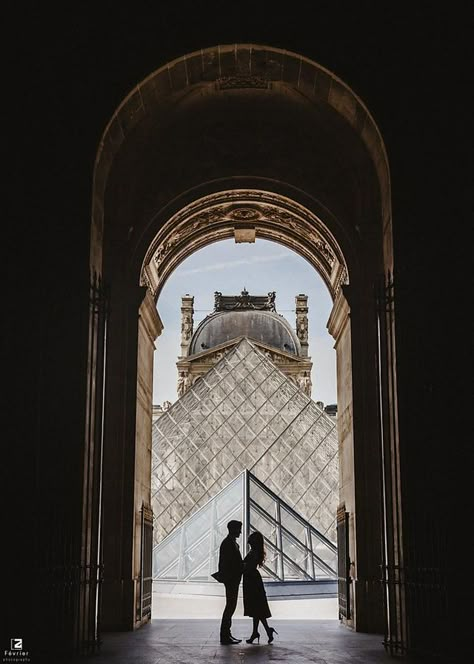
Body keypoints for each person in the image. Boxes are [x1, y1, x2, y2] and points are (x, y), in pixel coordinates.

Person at [243, 531, 278, 644]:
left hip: (252, 581)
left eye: (250, 540)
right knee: (257, 609)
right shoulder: (257, 552)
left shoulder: (253, 553)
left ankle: (259, 632)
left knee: (256, 609)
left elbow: (247, 567)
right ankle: (263, 631)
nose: (248, 541)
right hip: (254, 580)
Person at [217, 520, 244, 645]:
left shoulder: (230, 543)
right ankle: (225, 635)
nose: (240, 531)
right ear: (232, 529)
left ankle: (227, 634)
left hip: (232, 579)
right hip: (231, 580)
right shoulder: (228, 543)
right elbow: (227, 563)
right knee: (230, 606)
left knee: (231, 606)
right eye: (239, 529)